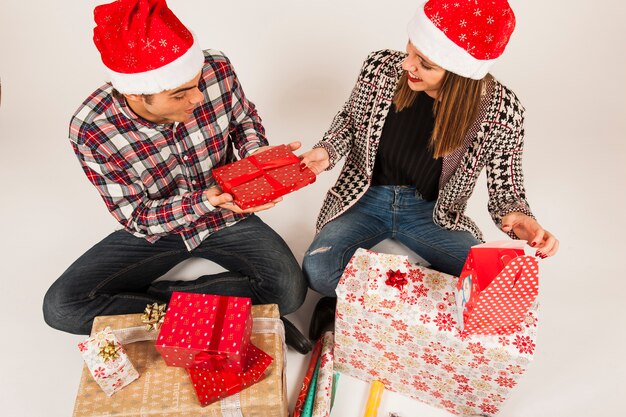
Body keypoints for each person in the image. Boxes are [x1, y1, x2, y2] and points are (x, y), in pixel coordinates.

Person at [42, 0, 312, 354]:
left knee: (289, 292)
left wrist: (253, 155)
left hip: (227, 213)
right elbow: (136, 216)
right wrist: (203, 199)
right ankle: (240, 313)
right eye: (180, 94)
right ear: (135, 93)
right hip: (158, 230)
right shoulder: (93, 128)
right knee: (62, 307)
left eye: (197, 84)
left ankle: (157, 305)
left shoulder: (215, 67)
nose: (198, 97)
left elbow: (243, 119)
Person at [301, 0, 559, 340]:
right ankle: (346, 303)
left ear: (458, 75)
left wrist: (522, 219)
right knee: (318, 270)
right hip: (366, 198)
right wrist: (326, 151)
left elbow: (506, 190)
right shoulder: (381, 67)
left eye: (425, 63)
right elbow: (349, 123)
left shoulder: (502, 110)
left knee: (488, 282)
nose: (407, 64)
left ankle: (391, 301)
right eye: (410, 50)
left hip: (431, 213)